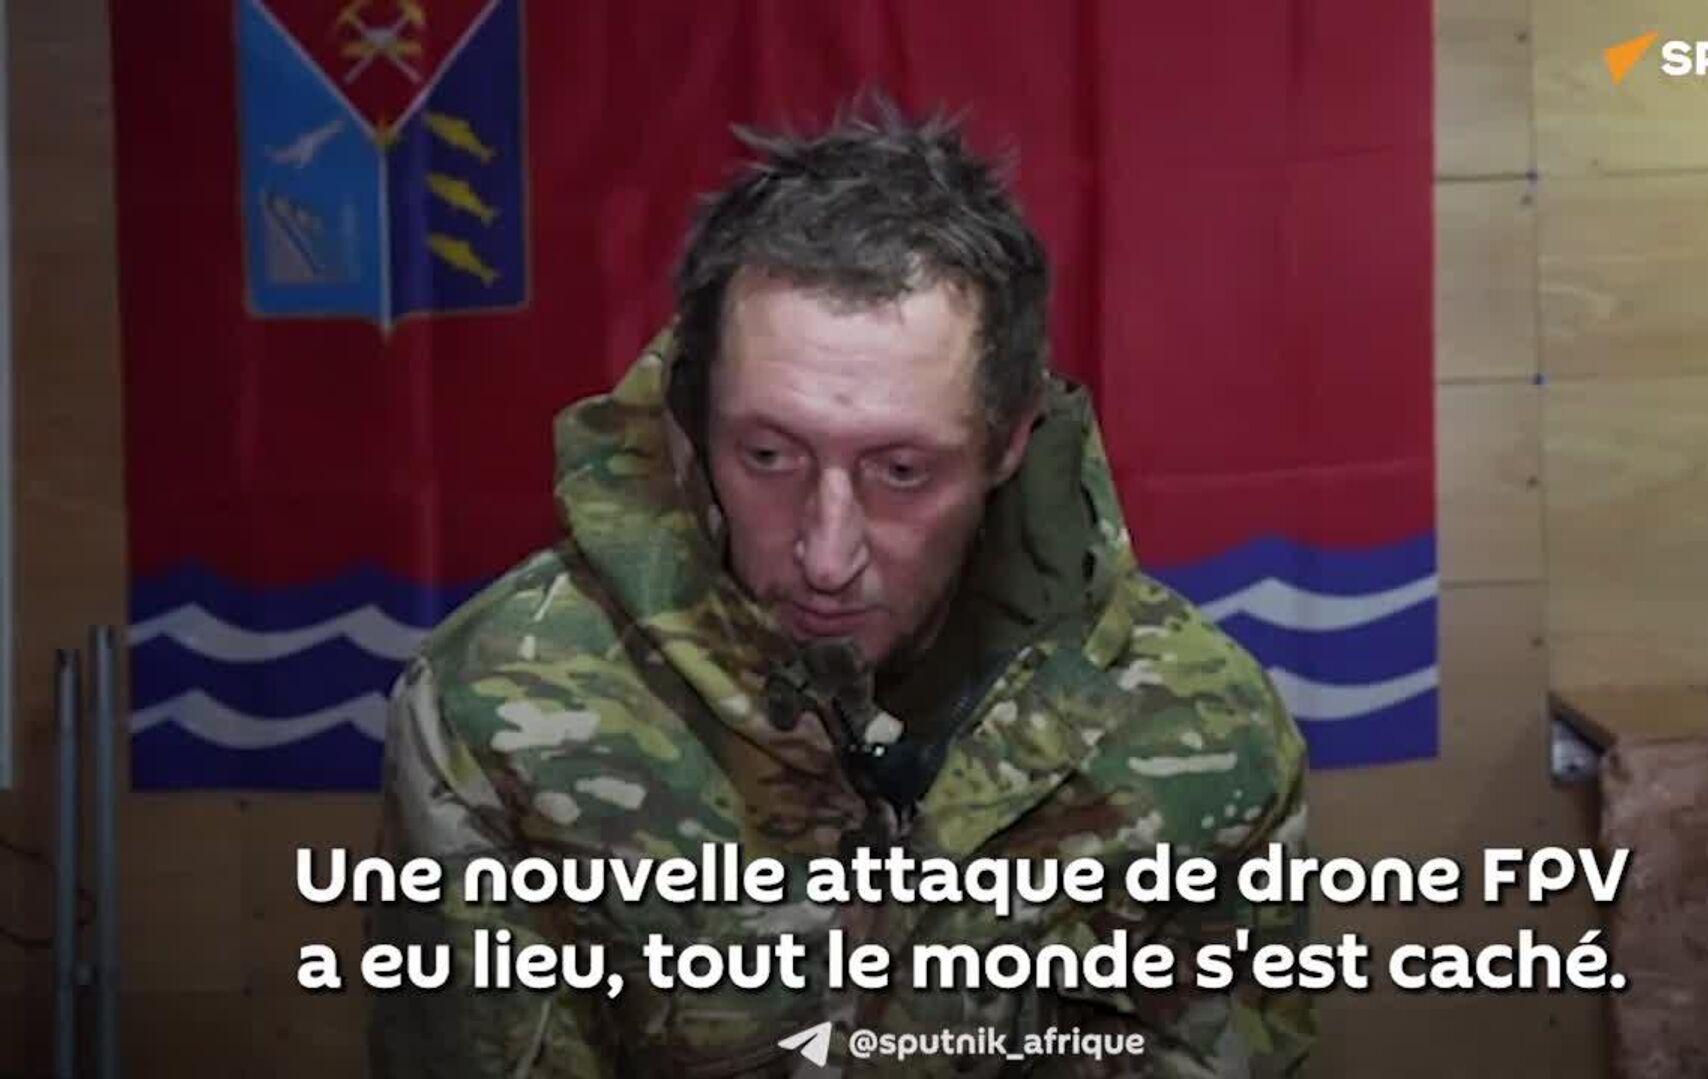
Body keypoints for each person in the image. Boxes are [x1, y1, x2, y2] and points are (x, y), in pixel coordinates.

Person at [368, 97, 1313, 1077]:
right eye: (768, 455)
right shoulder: (502, 707)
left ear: (1010, 437)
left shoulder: (1201, 726)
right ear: (695, 414)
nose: (826, 555)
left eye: (902, 471)